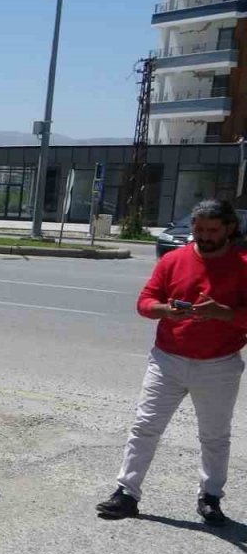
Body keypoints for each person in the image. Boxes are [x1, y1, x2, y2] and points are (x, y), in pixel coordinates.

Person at [97, 199, 247, 527]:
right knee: (145, 427)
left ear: (230, 229)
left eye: (212, 230)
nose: (204, 237)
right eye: (199, 230)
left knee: (215, 435)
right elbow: (144, 302)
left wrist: (224, 314)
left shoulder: (243, 263)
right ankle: (126, 493)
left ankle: (210, 497)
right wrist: (165, 310)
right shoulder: (174, 259)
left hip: (219, 364)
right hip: (167, 359)